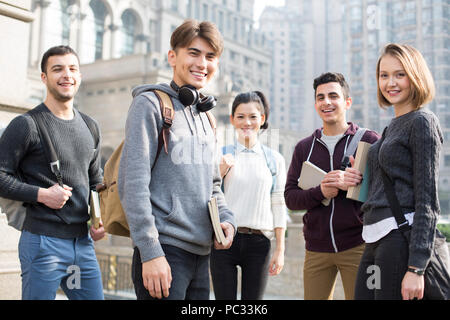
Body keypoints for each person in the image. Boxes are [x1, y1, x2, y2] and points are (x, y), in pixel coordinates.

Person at [117, 19, 236, 300]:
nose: (202, 63)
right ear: (173, 57)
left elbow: (213, 185)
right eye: (193, 53)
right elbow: (132, 184)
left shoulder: (206, 116)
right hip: (164, 252)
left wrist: (227, 220)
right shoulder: (150, 105)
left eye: (210, 57)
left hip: (201, 256)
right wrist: (150, 251)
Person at [0, 45, 105, 300]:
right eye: (57, 69)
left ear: (79, 76)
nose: (66, 75)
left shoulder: (90, 126)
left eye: (72, 69)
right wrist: (42, 195)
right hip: (42, 243)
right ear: (44, 77)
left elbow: (95, 181)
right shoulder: (26, 125)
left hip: (82, 244)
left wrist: (100, 218)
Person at [345, 43, 443, 300]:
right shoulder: (391, 128)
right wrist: (362, 176)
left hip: (398, 239)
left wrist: (416, 268)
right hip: (374, 239)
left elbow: (428, 201)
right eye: (384, 75)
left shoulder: (423, 122)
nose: (391, 82)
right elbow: (387, 187)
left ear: (415, 76)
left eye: (400, 74)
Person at [284, 72, 380, 300]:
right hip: (316, 249)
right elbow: (290, 198)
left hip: (360, 246)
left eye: (333, 96)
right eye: (320, 97)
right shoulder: (303, 148)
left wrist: (359, 184)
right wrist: (321, 192)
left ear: (347, 102)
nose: (326, 102)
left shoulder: (370, 141)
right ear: (316, 104)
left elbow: (386, 195)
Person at [210, 91, 287, 300]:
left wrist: (280, 249)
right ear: (233, 119)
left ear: (262, 120)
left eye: (253, 117)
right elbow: (207, 197)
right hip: (224, 240)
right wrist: (220, 172)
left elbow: (279, 205)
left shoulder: (275, 160)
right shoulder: (220, 155)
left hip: (260, 243)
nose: (247, 122)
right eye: (241, 116)